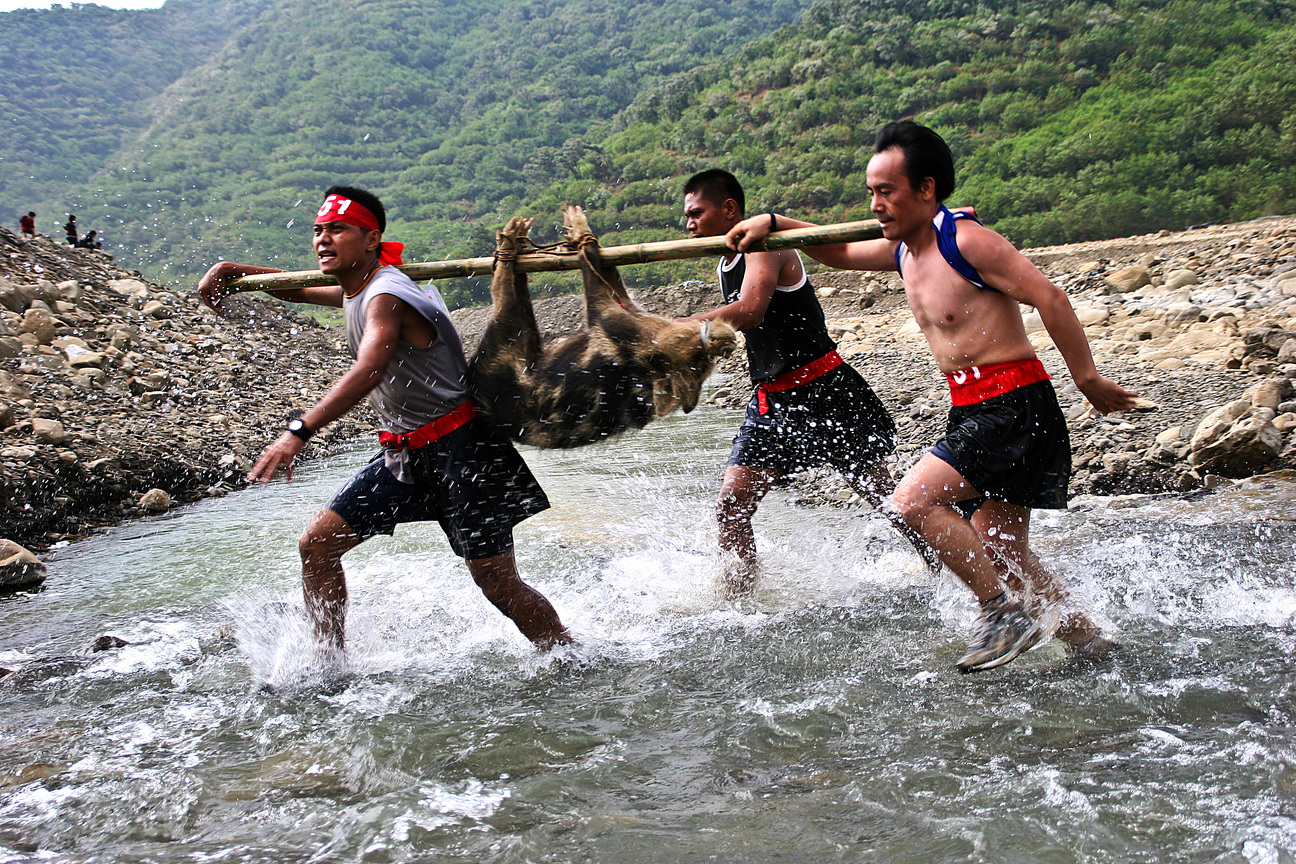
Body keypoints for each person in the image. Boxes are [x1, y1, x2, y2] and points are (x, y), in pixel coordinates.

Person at [726, 121, 1136, 672]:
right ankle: (1091, 644)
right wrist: (777, 223)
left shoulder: (966, 242)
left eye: (887, 191)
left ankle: (1000, 613)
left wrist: (1085, 378)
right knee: (999, 545)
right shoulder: (903, 251)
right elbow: (841, 252)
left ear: (926, 188)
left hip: (1013, 405)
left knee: (913, 502)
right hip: (974, 407)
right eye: (871, 192)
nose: (876, 203)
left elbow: (1051, 298)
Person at [197, 185, 572, 655]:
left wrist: (299, 430)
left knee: (498, 584)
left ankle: (569, 655)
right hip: (406, 453)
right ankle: (327, 665)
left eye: (338, 230)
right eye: (318, 230)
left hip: (464, 450)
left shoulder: (388, 295)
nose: (323, 240)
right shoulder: (358, 289)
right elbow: (297, 288)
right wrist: (234, 271)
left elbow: (369, 366)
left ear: (372, 240)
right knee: (317, 545)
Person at [679, 169, 937, 597]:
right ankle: (738, 605)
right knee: (731, 505)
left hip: (826, 390)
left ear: (729, 209)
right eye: (687, 216)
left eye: (696, 213)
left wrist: (669, 327)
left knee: (888, 500)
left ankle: (951, 571)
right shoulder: (727, 260)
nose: (689, 224)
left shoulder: (766, 245)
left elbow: (750, 311)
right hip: (773, 399)